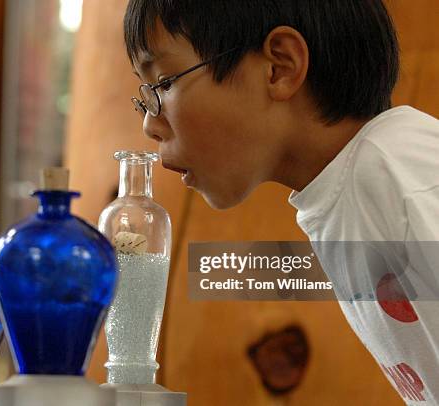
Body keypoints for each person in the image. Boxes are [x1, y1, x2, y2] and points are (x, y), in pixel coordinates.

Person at [123, 0, 439, 403]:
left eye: (164, 83)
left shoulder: (397, 176)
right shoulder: (346, 191)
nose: (150, 124)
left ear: (280, 67)